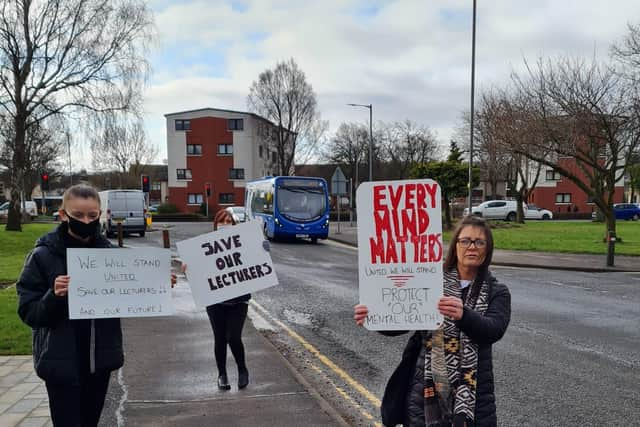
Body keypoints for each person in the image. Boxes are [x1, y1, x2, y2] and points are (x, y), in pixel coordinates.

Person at [16, 184, 176, 426]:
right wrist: (53, 296)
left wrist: (157, 284)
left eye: (92, 215)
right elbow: (29, 312)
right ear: (62, 215)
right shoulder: (42, 256)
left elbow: (129, 294)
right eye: (78, 215)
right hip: (60, 363)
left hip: (98, 362)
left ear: (100, 214)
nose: (86, 220)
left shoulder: (110, 254)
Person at [354, 215, 511, 427]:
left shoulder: (496, 291)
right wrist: (373, 317)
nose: (472, 247)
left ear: (487, 249)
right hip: (425, 391)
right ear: (455, 245)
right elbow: (403, 319)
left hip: (474, 396)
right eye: (465, 241)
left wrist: (464, 315)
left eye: (479, 242)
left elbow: (493, 330)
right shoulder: (431, 282)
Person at [206, 294, 251, 390]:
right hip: (213, 302)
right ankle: (222, 374)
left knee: (233, 337)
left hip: (239, 302)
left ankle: (242, 369)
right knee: (220, 338)